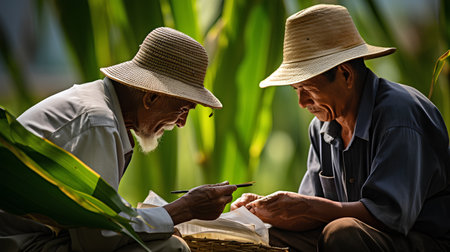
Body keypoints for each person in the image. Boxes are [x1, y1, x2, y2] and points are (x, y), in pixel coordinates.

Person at [231, 4, 450, 251]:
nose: (302, 103)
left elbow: (389, 217)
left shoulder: (399, 116)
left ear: (345, 74)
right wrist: (267, 210)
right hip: (353, 235)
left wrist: (306, 206)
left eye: (309, 90)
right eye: (296, 91)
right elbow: (314, 214)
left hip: (420, 241)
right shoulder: (321, 127)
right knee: (263, 238)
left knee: (342, 233)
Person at [0, 27, 237, 251]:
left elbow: (100, 221)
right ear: (151, 98)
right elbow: (98, 237)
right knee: (169, 248)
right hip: (20, 244)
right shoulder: (98, 122)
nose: (182, 122)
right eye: (183, 109)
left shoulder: (98, 107)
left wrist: (162, 222)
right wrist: (185, 208)